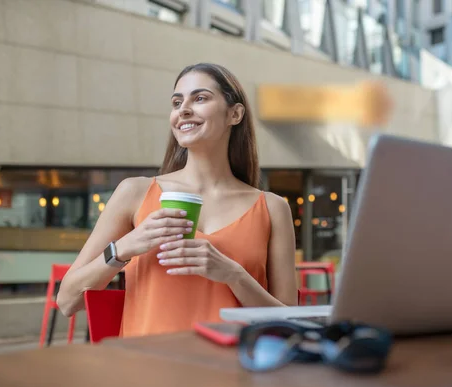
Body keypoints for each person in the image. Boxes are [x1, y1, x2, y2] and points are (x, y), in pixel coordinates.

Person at [57, 63, 298, 337]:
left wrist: (234, 275)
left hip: (233, 374)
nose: (183, 109)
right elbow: (67, 300)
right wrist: (126, 246)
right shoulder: (134, 193)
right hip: (148, 372)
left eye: (200, 98)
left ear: (235, 113)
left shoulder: (272, 208)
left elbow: (288, 325)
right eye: (176, 102)